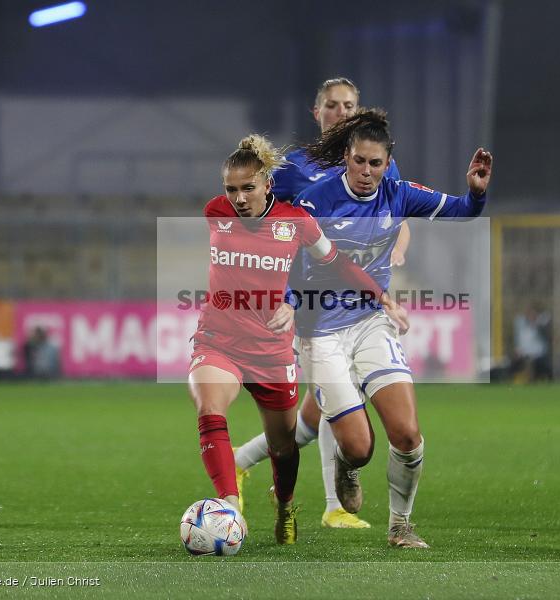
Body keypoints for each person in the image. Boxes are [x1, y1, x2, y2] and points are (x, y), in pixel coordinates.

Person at [291, 109, 492, 548]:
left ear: (388, 163)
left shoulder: (398, 195)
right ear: (346, 156)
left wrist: (475, 194)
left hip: (370, 324)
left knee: (406, 434)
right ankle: (347, 465)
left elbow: (461, 212)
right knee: (360, 446)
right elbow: (292, 267)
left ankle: (400, 525)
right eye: (359, 161)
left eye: (375, 163)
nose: (366, 172)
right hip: (320, 331)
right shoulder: (316, 202)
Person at [188, 134, 403, 545]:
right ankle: (229, 506)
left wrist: (379, 296)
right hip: (218, 339)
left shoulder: (296, 224)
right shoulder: (214, 212)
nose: (238, 197)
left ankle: (285, 506)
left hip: (270, 350)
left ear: (268, 183)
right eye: (231, 189)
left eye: (248, 188)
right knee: (209, 408)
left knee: (284, 446)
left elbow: (333, 265)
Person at [234, 77, 410, 529]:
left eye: (350, 105)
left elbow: (397, 214)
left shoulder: (372, 163)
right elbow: (260, 215)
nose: (342, 113)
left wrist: (399, 246)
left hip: (358, 303)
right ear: (318, 114)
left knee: (320, 410)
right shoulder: (295, 169)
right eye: (332, 105)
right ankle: (333, 504)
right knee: (336, 404)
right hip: (310, 304)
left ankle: (242, 459)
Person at [512, 303, 551, 382]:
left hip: (538, 355)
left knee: (537, 364)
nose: (531, 316)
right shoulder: (522, 324)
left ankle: (534, 379)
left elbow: (547, 317)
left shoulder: (539, 324)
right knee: (522, 363)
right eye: (529, 314)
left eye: (533, 314)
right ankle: (526, 378)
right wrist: (518, 349)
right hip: (525, 355)